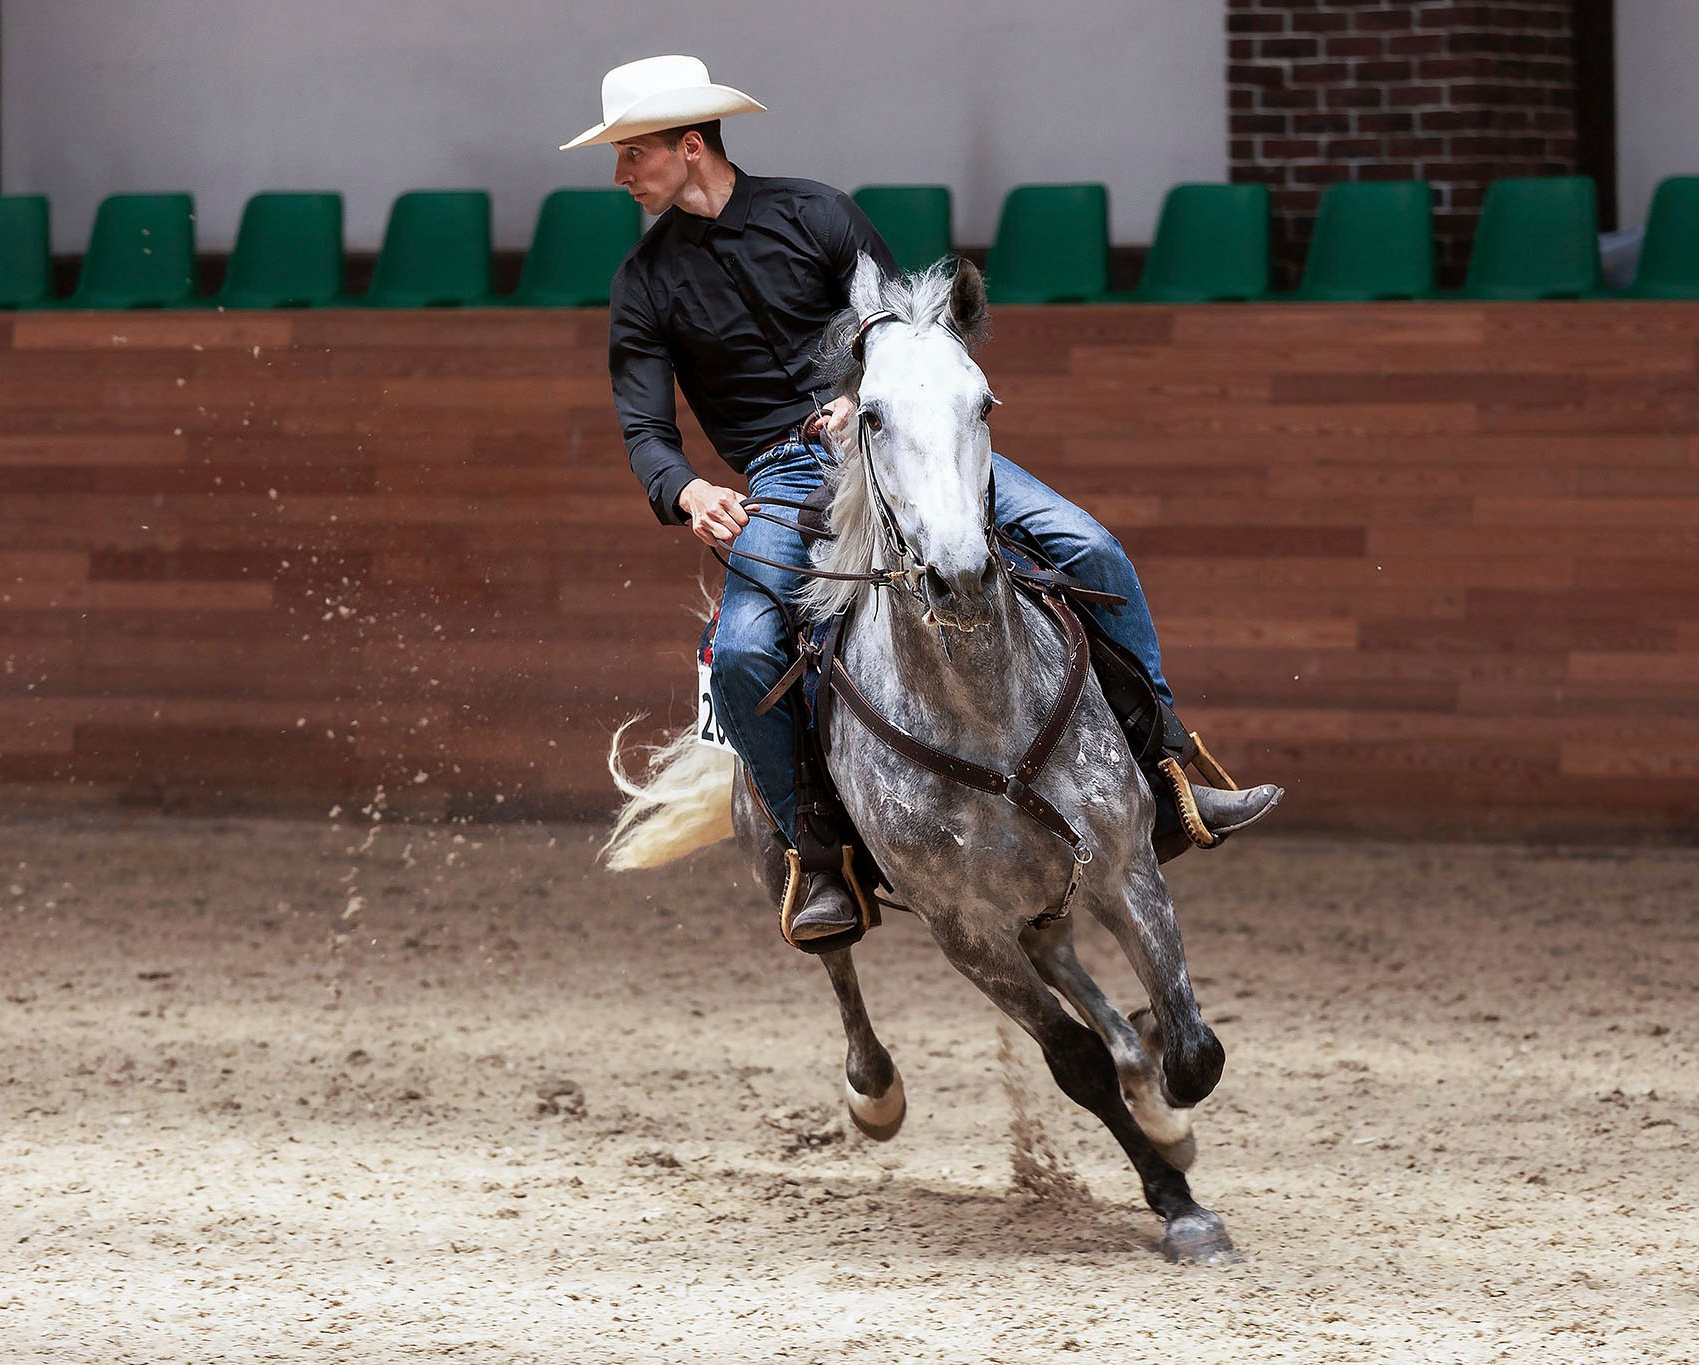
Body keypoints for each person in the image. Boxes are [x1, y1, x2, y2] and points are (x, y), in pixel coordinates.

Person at [565, 55, 1279, 945]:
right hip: (785, 481)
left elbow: (904, 330)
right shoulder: (643, 280)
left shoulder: (815, 213)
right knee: (748, 650)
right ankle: (814, 854)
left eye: (631, 154)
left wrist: (858, 388)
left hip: (902, 442)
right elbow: (644, 430)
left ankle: (1167, 771)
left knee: (1088, 546)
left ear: (689, 143)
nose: (620, 174)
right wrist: (687, 489)